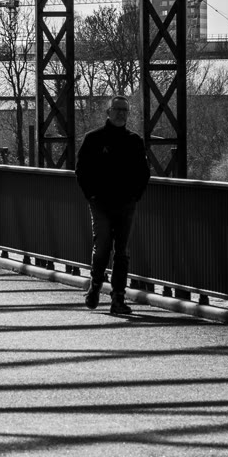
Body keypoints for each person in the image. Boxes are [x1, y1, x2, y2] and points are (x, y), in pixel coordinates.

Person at [75, 94, 150, 316]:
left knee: (122, 252)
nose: (120, 114)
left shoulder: (134, 141)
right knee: (103, 247)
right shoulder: (93, 139)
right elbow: (81, 171)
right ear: (108, 112)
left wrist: (135, 196)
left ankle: (118, 298)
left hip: (126, 203)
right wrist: (91, 196)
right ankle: (96, 285)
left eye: (124, 110)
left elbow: (143, 173)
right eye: (117, 109)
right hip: (101, 203)